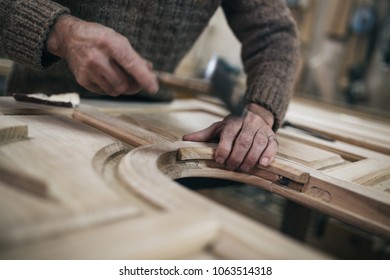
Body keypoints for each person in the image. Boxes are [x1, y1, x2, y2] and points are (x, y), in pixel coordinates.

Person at [0, 0, 300, 172]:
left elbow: (274, 35)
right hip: (38, 107)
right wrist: (62, 34)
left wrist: (260, 112)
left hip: (151, 125)